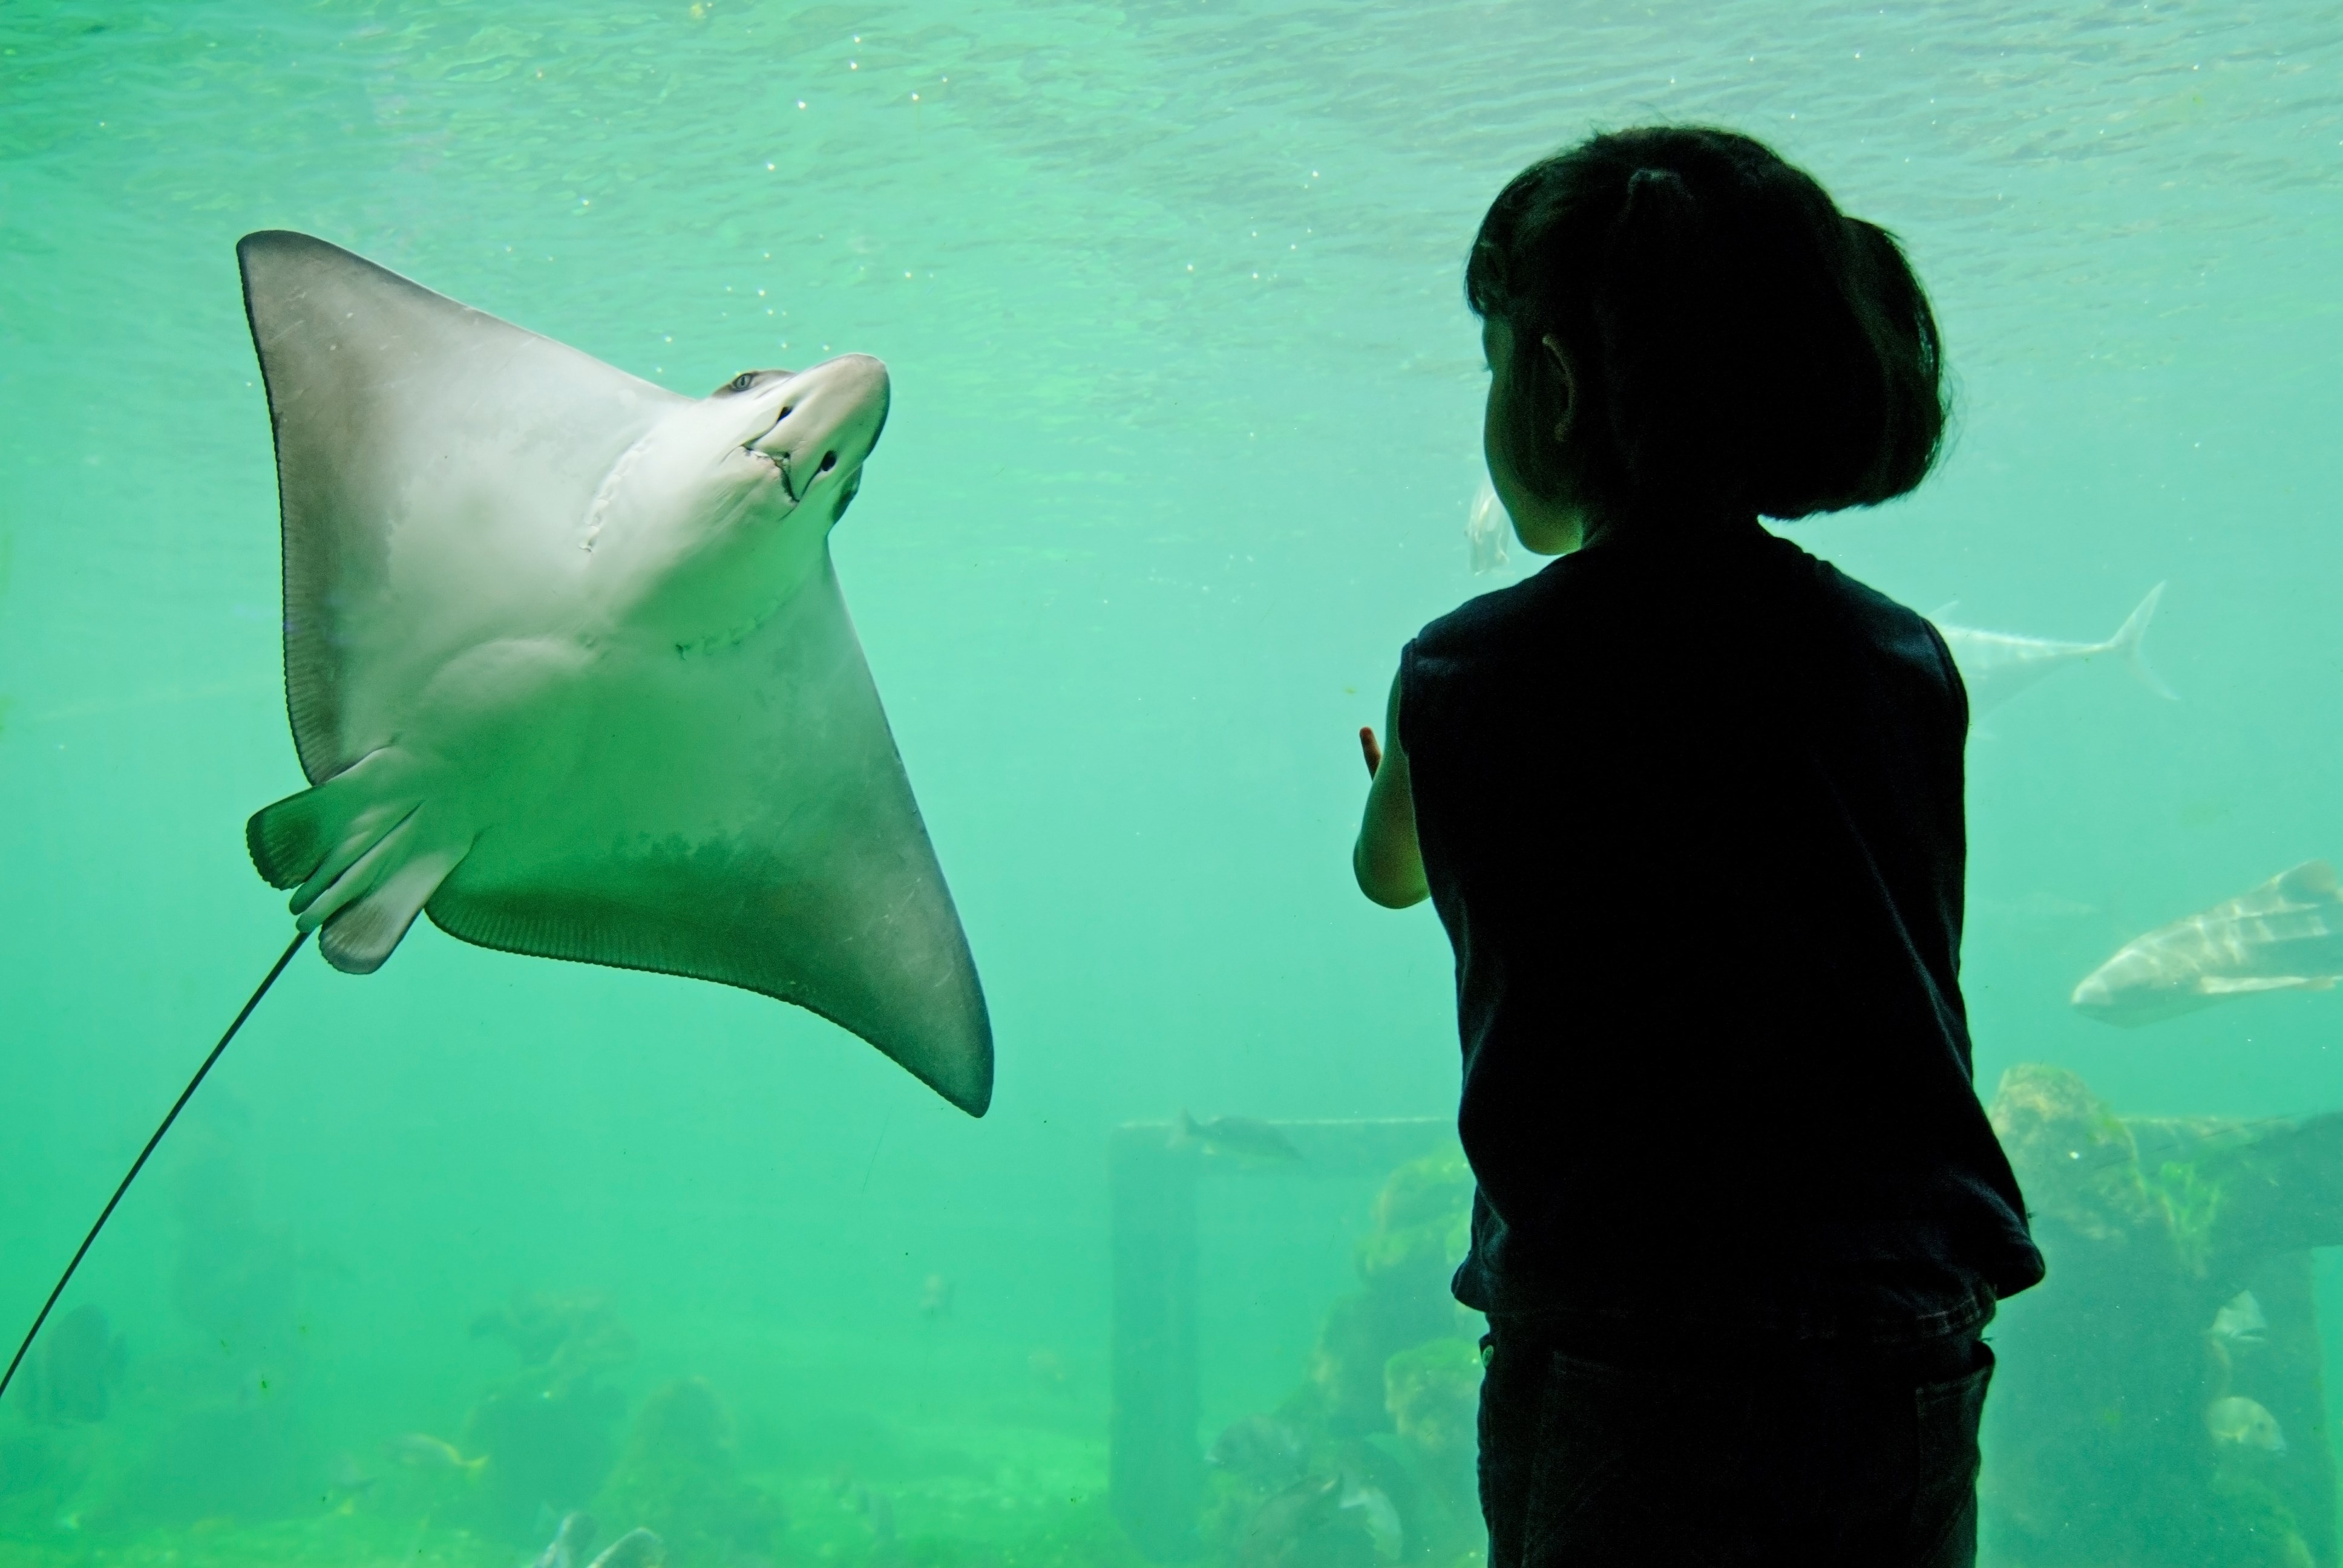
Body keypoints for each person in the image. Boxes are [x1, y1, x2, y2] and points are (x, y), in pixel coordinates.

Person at [1351, 127, 2045, 1567]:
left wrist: (1405, 776)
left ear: (1546, 390)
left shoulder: (1470, 670)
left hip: (1630, 1334)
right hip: (1900, 1327)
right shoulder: (1899, 656)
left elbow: (1389, 870)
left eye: (1493, 364)